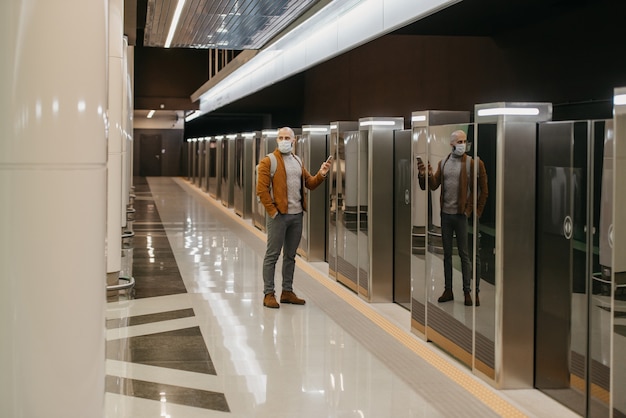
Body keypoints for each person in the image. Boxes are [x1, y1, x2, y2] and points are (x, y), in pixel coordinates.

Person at [256, 127, 331, 308]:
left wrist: (321, 174)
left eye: (287, 137)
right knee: (272, 255)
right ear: (277, 140)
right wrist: (273, 212)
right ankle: (269, 293)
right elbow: (261, 191)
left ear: (294, 140)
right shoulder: (269, 161)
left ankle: (287, 291)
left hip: (296, 216)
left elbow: (309, 184)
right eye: (280, 137)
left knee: (290, 255)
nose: (283, 140)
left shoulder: (297, 161)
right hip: (278, 217)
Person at [417, 130, 488, 306]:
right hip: (446, 215)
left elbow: (484, 190)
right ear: (452, 144)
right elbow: (433, 186)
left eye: (464, 141)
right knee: (447, 254)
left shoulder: (473, 163)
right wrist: (424, 174)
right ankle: (448, 289)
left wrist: (475, 211)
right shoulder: (444, 163)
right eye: (459, 141)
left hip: (461, 216)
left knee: (465, 255)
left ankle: (468, 291)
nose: (462, 144)